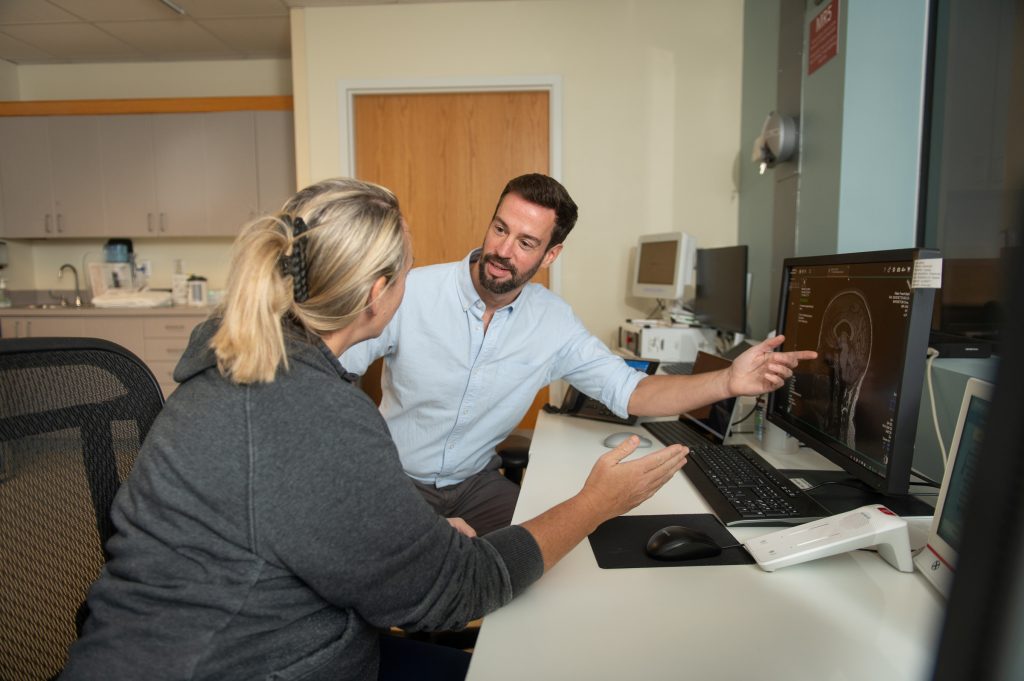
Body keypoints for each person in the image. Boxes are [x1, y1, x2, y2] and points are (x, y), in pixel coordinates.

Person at [59, 178, 686, 681]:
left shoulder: (240, 361)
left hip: (204, 641)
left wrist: (411, 533)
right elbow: (462, 587)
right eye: (407, 272)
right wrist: (596, 503)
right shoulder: (320, 417)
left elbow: (295, 506)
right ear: (378, 294)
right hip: (259, 662)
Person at [341, 173, 816, 535]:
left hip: (475, 483)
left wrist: (728, 382)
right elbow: (331, 376)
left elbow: (632, 391)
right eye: (500, 229)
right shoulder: (414, 291)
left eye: (526, 243)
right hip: (395, 480)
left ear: (550, 255)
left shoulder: (553, 321)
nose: (503, 250)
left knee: (552, 554)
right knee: (427, 575)